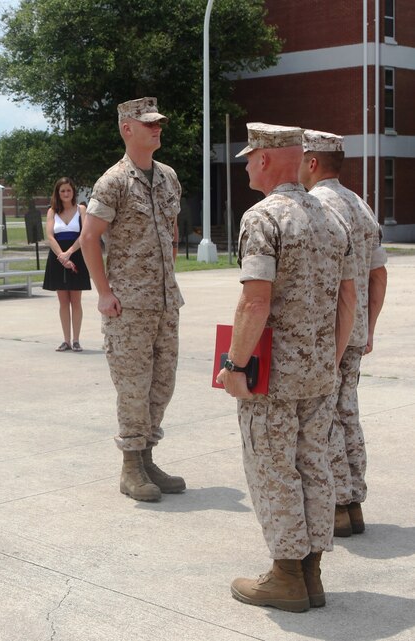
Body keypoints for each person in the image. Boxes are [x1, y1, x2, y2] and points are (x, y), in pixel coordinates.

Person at [217, 123, 356, 613]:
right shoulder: (331, 217)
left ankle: (285, 576)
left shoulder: (264, 218)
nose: (248, 164)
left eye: (252, 156)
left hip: (273, 377)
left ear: (271, 159)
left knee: (274, 471)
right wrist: (331, 359)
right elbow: (348, 299)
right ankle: (311, 573)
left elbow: (256, 302)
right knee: (313, 466)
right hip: (318, 373)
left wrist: (234, 364)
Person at [79, 97, 185, 502]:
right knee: (133, 386)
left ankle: (147, 458)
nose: (157, 128)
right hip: (129, 306)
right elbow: (89, 239)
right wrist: (104, 293)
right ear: (128, 129)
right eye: (148, 124)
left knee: (162, 384)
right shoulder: (114, 181)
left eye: (159, 123)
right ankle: (130, 467)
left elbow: (171, 232)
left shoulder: (168, 177)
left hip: (164, 302)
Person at [299, 129, 389, 538]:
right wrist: (368, 326)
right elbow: (378, 273)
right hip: (355, 329)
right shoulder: (360, 205)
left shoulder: (316, 206)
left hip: (327, 331)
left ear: (312, 162)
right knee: (347, 411)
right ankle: (352, 502)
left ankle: (336, 504)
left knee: (324, 417)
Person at [42, 177, 90, 352]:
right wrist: (62, 256)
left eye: (68, 190)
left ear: (73, 192)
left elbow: (84, 234)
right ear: (58, 193)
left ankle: (76, 340)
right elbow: (50, 236)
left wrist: (69, 252)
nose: (65, 194)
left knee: (76, 301)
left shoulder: (81, 209)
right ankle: (66, 340)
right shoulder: (52, 212)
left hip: (76, 254)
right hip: (57, 257)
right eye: (62, 191)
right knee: (63, 301)